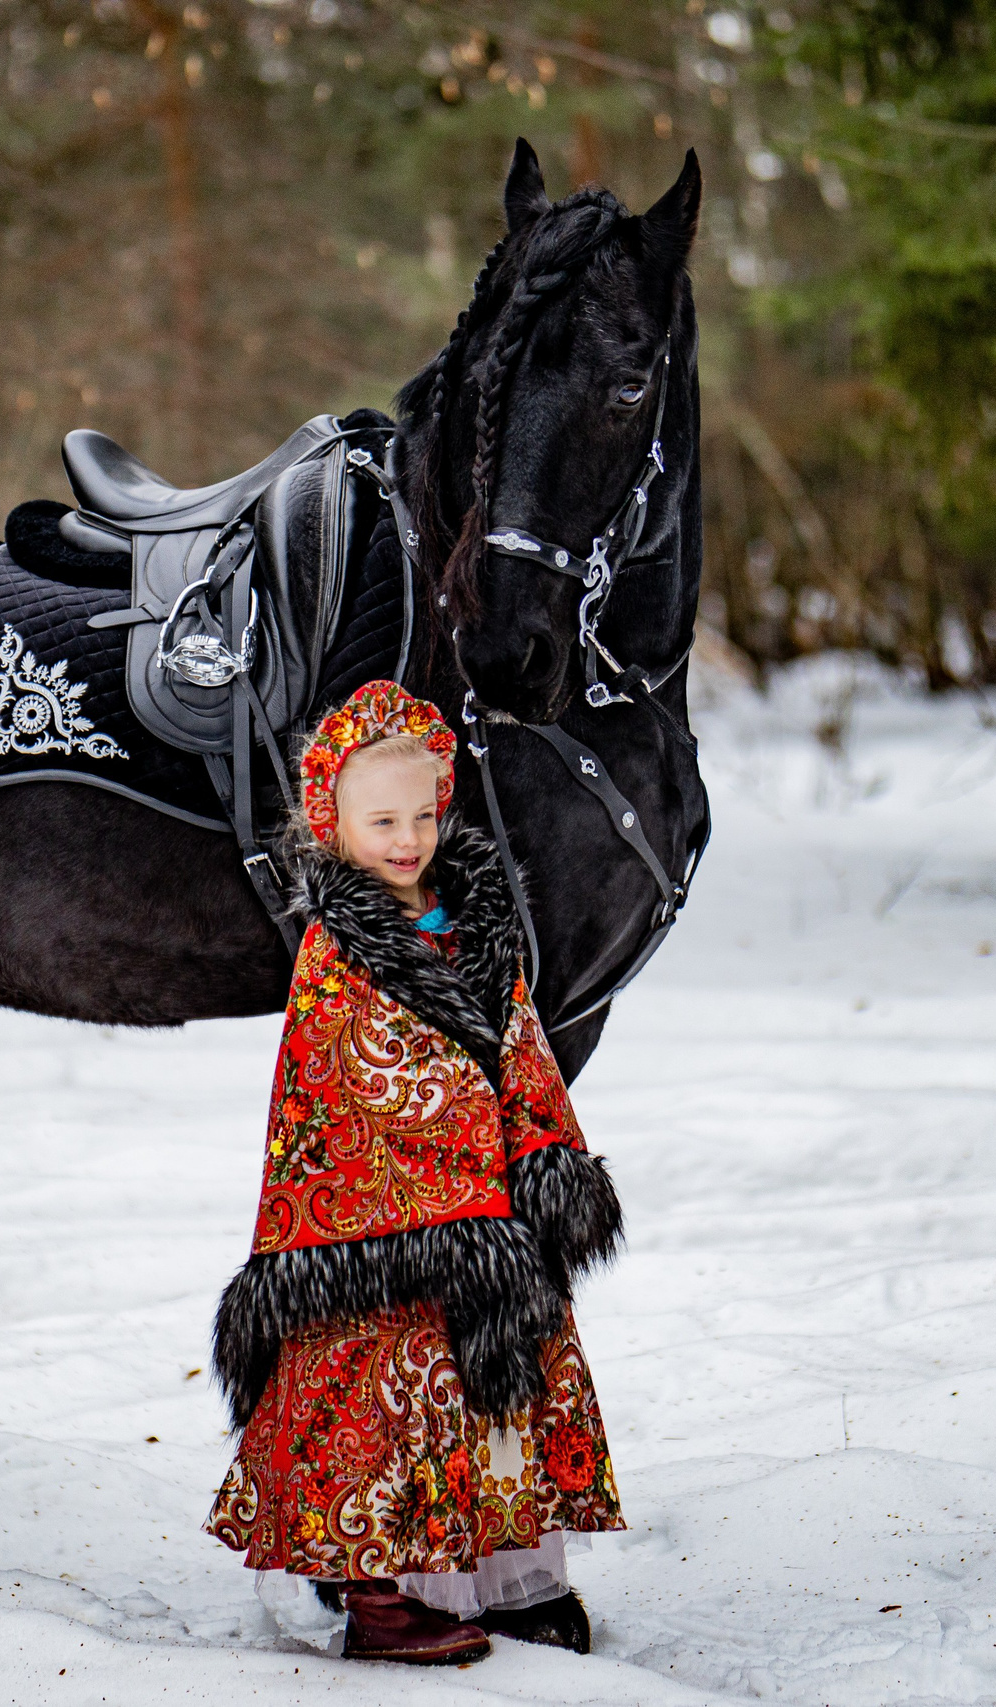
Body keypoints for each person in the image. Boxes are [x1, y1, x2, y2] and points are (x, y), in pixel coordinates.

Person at [204, 679, 625, 1665]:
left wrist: (539, 1151)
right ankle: (381, 1591)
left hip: (489, 1206)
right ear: (333, 824)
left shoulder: (475, 920)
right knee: (392, 1388)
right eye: (380, 820)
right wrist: (452, 1166)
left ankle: (507, 1571)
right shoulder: (333, 952)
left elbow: (518, 1041)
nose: (405, 839)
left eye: (422, 816)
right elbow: (346, 1079)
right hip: (385, 1222)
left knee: (502, 1382)